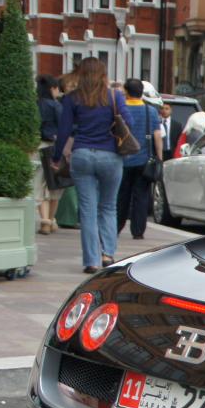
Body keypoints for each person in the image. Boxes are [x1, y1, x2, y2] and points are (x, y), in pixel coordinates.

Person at [52, 57, 134, 274]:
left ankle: (91, 261)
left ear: (81, 74)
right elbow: (129, 123)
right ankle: (108, 254)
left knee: (87, 210)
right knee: (108, 206)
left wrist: (56, 157)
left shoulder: (72, 98)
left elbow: (64, 130)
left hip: (82, 154)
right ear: (103, 74)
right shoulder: (114, 96)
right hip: (110, 155)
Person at [116, 79, 163, 241]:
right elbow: (157, 136)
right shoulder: (151, 111)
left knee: (122, 196)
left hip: (123, 160)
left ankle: (117, 226)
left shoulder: (121, 110)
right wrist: (159, 158)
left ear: (126, 92)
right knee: (141, 196)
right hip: (144, 161)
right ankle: (138, 231)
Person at [35, 75, 65, 234]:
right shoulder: (56, 106)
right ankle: (51, 220)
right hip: (54, 147)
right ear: (52, 88)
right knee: (55, 185)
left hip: (38, 146)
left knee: (40, 184)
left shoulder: (35, 104)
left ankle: (44, 221)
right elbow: (64, 127)